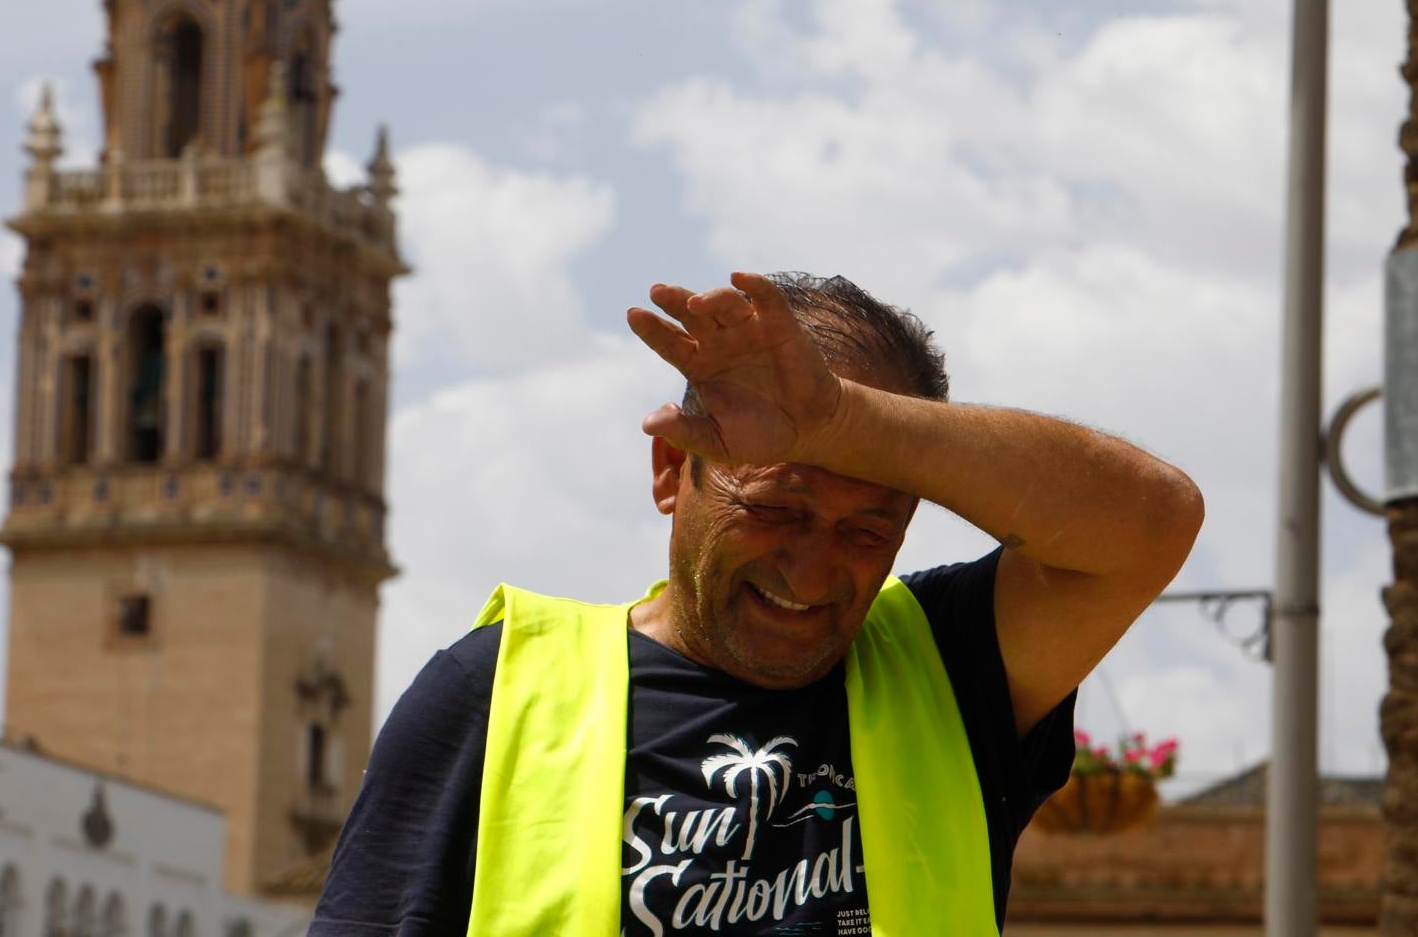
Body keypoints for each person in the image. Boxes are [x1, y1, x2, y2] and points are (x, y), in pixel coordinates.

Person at [310, 271, 1203, 935]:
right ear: (672, 473)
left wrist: (848, 425)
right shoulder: (495, 690)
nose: (811, 575)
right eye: (776, 509)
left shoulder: (951, 664)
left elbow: (1151, 523)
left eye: (867, 530)